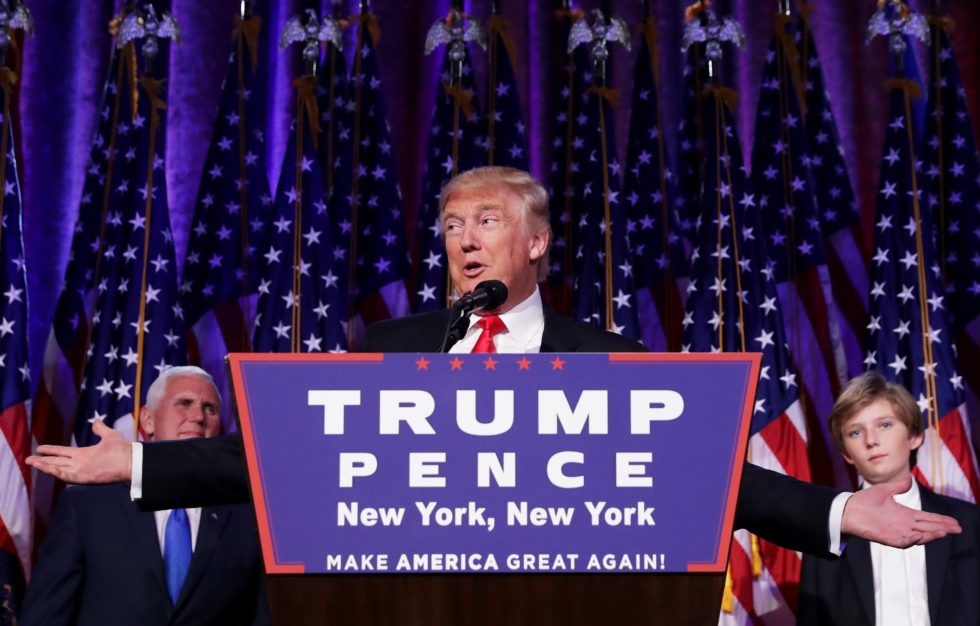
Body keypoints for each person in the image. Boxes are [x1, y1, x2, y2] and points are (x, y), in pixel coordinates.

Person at [27, 167, 961, 557]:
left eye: (487, 222)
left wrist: (839, 510)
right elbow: (275, 456)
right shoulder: (395, 349)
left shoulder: (605, 356)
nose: (466, 242)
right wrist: (142, 462)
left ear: (539, 242)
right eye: (451, 226)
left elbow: (712, 478)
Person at [21, 366, 270, 626]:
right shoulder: (86, 506)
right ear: (148, 420)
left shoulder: (250, 514)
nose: (198, 416)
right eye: (184, 403)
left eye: (210, 409)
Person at [798, 372, 980, 626]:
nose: (871, 441)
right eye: (855, 433)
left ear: (914, 436)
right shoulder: (826, 535)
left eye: (884, 425)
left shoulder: (969, 523)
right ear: (846, 454)